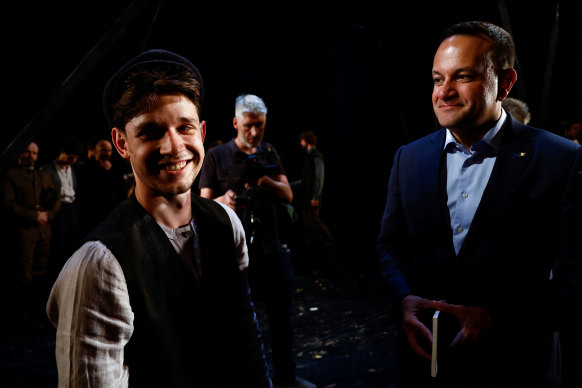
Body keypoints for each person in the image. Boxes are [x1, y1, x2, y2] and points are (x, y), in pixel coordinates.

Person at [46, 49, 270, 387]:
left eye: (185, 127)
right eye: (151, 132)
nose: (173, 146)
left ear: (202, 132)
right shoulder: (98, 265)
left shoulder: (226, 223)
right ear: (122, 143)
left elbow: (245, 333)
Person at [376, 21, 582, 388]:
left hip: (517, 367)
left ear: (505, 83)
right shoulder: (408, 158)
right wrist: (403, 300)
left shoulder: (560, 159)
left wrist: (498, 321)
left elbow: (576, 278)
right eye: (438, 79)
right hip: (425, 364)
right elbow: (390, 247)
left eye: (463, 77)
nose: (445, 92)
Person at [199, 94, 314, 388]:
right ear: (236, 123)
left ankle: (286, 379)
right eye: (249, 126)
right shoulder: (217, 156)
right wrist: (225, 201)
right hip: (233, 256)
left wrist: (264, 181)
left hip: (270, 249)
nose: (254, 133)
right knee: (236, 325)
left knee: (282, 324)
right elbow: (203, 203)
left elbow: (288, 194)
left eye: (260, 126)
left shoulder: (269, 153)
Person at [2, 142, 60, 287]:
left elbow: (56, 197)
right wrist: (35, 217)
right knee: (24, 274)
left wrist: (49, 215)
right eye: (28, 152)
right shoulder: (11, 175)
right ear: (20, 153)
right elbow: (9, 204)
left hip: (45, 232)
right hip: (25, 233)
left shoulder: (43, 174)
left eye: (34, 153)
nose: (31, 156)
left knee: (42, 271)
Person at [291, 130, 335, 270]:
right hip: (307, 198)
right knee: (308, 228)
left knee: (313, 225)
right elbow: (306, 180)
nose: (300, 143)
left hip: (312, 199)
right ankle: (315, 258)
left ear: (307, 140)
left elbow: (319, 177)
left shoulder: (316, 156)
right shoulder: (309, 157)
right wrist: (289, 185)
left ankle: (331, 248)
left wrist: (315, 196)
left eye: (302, 140)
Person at [43, 137, 83, 276]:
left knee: (73, 242)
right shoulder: (48, 169)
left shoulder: (74, 168)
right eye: (70, 157)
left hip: (72, 207)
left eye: (75, 158)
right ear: (63, 152)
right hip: (59, 208)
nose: (73, 161)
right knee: (59, 244)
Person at [76, 138, 127, 236]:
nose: (106, 153)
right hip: (93, 216)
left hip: (112, 215)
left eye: (109, 150)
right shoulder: (85, 169)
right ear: (95, 150)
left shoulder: (115, 169)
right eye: (103, 150)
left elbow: (121, 190)